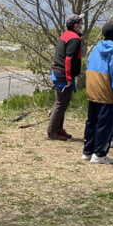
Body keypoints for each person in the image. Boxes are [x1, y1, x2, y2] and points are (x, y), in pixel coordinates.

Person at [82, 21, 113, 164]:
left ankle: (88, 151)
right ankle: (100, 154)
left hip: (93, 88)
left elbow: (89, 63)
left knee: (92, 121)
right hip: (106, 90)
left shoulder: (96, 48)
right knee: (105, 123)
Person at [46, 13, 84, 141]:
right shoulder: (74, 39)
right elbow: (68, 59)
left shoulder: (65, 35)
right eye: (80, 22)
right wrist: (69, 77)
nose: (82, 24)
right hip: (63, 74)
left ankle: (58, 129)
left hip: (59, 72)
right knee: (61, 103)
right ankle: (52, 132)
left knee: (63, 103)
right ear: (74, 25)